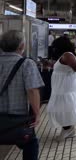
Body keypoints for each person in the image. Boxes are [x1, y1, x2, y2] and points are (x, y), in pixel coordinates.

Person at [0, 30, 44, 160]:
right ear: (21, 46)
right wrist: (37, 113)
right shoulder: (27, 64)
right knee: (31, 143)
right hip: (18, 118)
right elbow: (32, 90)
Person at [46, 36, 76, 141]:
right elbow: (62, 67)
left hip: (66, 88)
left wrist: (67, 73)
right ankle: (70, 129)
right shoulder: (63, 55)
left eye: (55, 47)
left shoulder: (67, 55)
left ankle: (67, 129)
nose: (54, 49)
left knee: (62, 108)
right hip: (62, 87)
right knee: (64, 107)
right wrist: (50, 65)